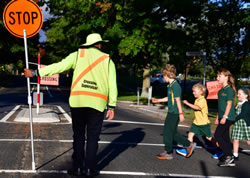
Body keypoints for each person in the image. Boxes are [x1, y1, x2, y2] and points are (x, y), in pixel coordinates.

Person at [23, 33, 118, 177]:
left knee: (79, 136)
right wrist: (111, 106)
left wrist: (36, 72)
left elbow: (58, 67)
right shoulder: (107, 60)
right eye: (101, 43)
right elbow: (112, 84)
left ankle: (77, 167)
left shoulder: (78, 55)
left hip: (78, 101)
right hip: (97, 103)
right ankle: (90, 169)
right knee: (93, 137)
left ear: (87, 44)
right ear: (98, 44)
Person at [152, 64, 196, 160]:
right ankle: (188, 144)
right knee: (172, 133)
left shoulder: (175, 86)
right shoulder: (170, 85)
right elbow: (169, 98)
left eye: (163, 76)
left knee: (168, 133)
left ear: (167, 75)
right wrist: (158, 100)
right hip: (171, 112)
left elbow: (177, 100)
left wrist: (181, 113)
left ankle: (169, 152)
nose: (163, 78)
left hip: (175, 113)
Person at [176, 83, 214, 156]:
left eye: (195, 91)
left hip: (203, 124)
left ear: (201, 92)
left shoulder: (202, 100)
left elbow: (197, 107)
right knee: (190, 135)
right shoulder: (197, 99)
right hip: (196, 123)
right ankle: (188, 149)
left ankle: (220, 148)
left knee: (209, 138)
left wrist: (187, 103)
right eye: (193, 91)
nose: (193, 93)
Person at [214, 68, 236, 167]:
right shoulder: (220, 91)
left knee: (217, 135)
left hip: (228, 117)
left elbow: (229, 105)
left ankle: (229, 155)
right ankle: (229, 155)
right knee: (225, 137)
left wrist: (224, 117)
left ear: (226, 77)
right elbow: (220, 106)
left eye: (219, 76)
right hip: (222, 117)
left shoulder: (229, 90)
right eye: (217, 76)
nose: (217, 77)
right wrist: (218, 117)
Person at [231, 88, 250, 162]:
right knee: (235, 139)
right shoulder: (238, 104)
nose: (238, 95)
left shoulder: (247, 104)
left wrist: (233, 119)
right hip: (237, 125)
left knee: (248, 141)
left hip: (245, 125)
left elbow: (242, 114)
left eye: (240, 94)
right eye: (237, 94)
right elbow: (235, 112)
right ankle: (235, 155)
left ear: (246, 95)